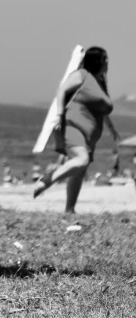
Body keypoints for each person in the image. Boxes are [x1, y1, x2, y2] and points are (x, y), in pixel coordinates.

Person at [33, 46, 120, 213]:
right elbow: (62, 90)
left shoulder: (100, 82)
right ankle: (48, 179)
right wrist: (59, 115)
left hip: (90, 135)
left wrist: (111, 128)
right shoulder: (81, 75)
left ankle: (70, 209)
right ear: (98, 61)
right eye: (105, 59)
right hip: (73, 126)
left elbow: (102, 109)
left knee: (79, 171)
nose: (108, 62)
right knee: (81, 160)